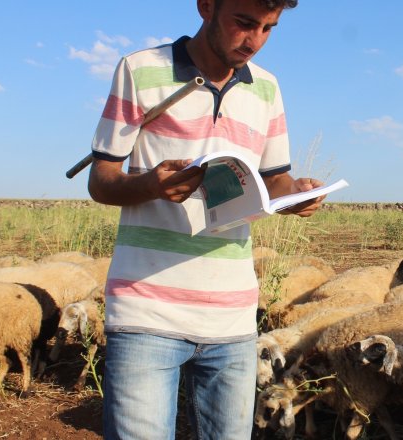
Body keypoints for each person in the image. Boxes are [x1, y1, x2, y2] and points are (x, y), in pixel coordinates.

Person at [86, 0, 321, 438]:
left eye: (268, 28)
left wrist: (298, 195)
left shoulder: (267, 88)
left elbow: (275, 180)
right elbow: (102, 180)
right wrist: (151, 185)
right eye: (244, 23)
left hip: (233, 317)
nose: (255, 41)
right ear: (206, 6)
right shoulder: (140, 70)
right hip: (146, 309)